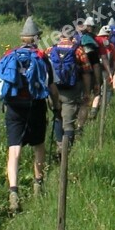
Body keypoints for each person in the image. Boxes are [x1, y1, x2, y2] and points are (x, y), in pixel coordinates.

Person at [0, 17, 61, 213]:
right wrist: (56, 107)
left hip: (14, 107)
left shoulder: (9, 55)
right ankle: (37, 184)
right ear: (36, 38)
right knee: (38, 146)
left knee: (14, 150)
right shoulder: (42, 58)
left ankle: (14, 192)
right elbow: (51, 87)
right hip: (35, 106)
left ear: (22, 38)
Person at [46, 29, 93, 158]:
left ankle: (59, 147)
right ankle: (67, 153)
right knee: (68, 122)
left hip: (53, 90)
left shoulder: (50, 50)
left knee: (57, 117)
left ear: (60, 36)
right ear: (73, 37)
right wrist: (87, 92)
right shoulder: (78, 50)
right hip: (71, 91)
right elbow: (86, 72)